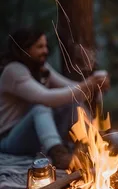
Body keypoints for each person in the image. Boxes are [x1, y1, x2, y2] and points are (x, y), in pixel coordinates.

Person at [0, 27, 110, 169]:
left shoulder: (41, 67)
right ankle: (59, 154)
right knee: (40, 107)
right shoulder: (13, 71)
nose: (45, 51)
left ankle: (96, 143)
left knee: (71, 101)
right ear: (24, 49)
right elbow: (46, 98)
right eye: (39, 47)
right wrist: (87, 85)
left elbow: (72, 89)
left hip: (36, 139)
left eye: (45, 46)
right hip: (10, 141)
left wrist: (96, 86)